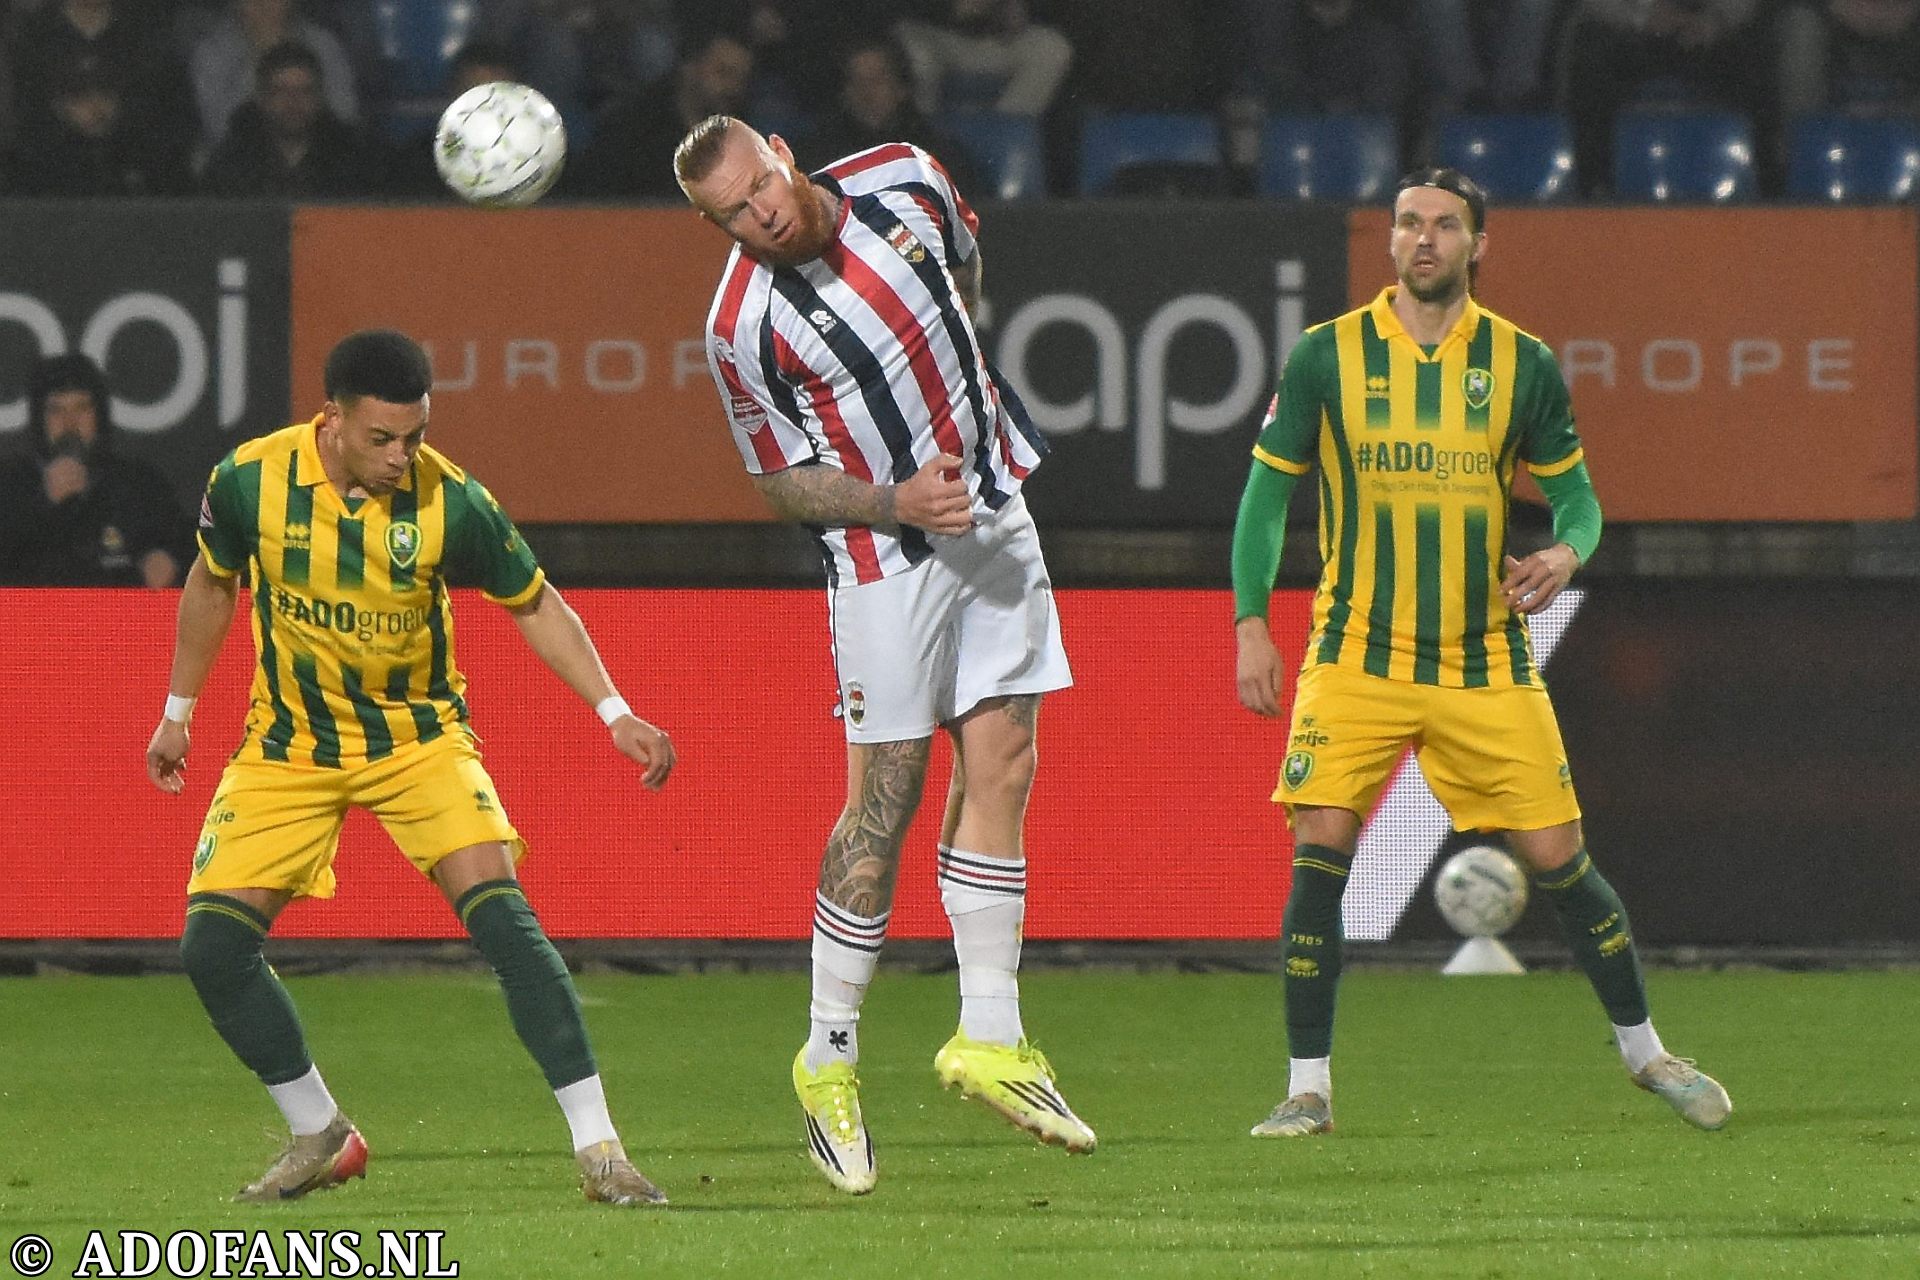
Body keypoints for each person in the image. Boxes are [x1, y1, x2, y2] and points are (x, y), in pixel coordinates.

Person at [1230, 169, 1732, 1139]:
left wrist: (1563, 549)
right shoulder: (1326, 356)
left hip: (1483, 659)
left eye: (1444, 225)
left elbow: (1580, 499)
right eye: (1409, 222)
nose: (1423, 238)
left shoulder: (1522, 362)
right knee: (1318, 844)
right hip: (1356, 654)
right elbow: (1264, 498)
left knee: (1558, 856)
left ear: (1477, 243)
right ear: (1390, 241)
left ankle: (1646, 1052)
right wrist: (1252, 621)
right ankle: (1307, 1087)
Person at [143, 330, 677, 1206]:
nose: (403, 457)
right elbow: (212, 584)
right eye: (383, 439)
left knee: (509, 926)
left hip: (417, 741)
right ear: (334, 422)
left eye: (416, 436)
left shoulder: (451, 502)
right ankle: (320, 1132)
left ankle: (602, 1151)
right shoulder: (248, 479)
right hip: (289, 747)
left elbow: (534, 602)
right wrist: (178, 714)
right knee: (212, 947)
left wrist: (614, 712)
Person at [675, 115, 1092, 1195]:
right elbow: (780, 481)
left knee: (1005, 758)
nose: (759, 214)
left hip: (994, 509)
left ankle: (990, 1034)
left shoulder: (906, 177)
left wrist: (966, 416)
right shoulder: (741, 325)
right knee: (887, 800)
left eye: (760, 185)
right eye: (731, 213)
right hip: (883, 562)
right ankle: (829, 1057)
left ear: (779, 149)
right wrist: (891, 496)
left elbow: (964, 261)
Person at [0, 351, 192, 586]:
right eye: (56, 410)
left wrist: (168, 558)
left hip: (120, 619)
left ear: (99, 415)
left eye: (82, 408)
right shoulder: (10, 486)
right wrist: (43, 504)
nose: (70, 423)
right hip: (29, 619)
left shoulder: (139, 485)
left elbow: (185, 542)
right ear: (39, 418)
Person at [200, 40, 385, 197]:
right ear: (262, 99)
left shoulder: (354, 164)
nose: (293, 102)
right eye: (281, 91)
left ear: (320, 98)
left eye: (305, 91)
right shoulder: (230, 165)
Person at [189, 0, 359, 150]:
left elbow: (345, 114)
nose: (263, 5)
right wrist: (260, 59)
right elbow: (219, 130)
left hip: (318, 158)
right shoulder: (212, 52)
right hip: (243, 165)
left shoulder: (322, 45)